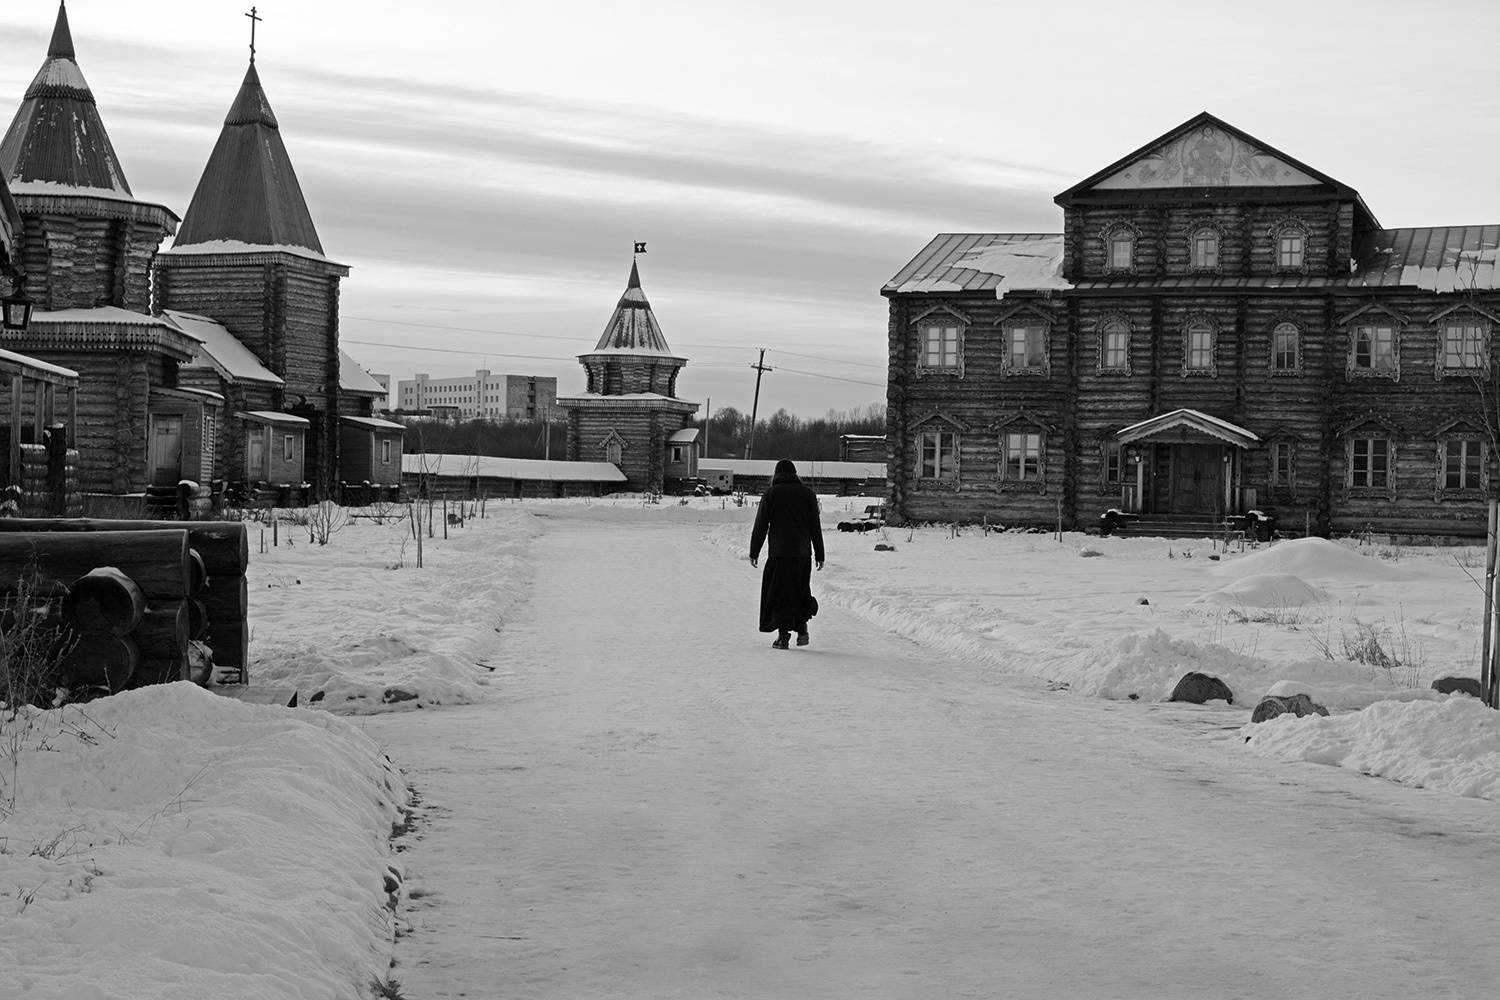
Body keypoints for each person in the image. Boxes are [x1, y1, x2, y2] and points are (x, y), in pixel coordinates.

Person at [748, 459, 825, 649]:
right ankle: (802, 629)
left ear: (776, 474)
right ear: (795, 474)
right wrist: (820, 554)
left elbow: (761, 525)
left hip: (779, 553)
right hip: (802, 553)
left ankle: (783, 637)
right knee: (800, 589)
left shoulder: (771, 494)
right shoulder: (808, 494)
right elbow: (815, 527)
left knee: (780, 592)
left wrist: (754, 551)